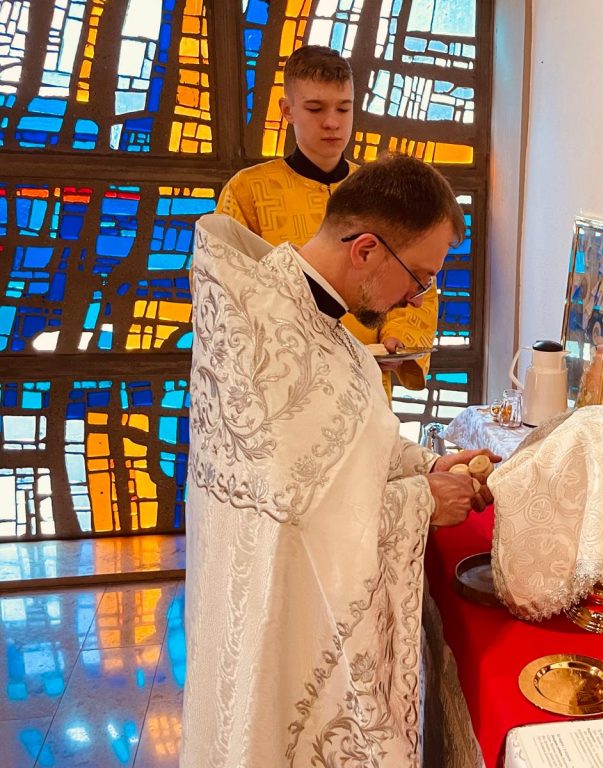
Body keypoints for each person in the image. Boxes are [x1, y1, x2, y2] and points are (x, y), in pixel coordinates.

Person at [182, 154, 498, 767]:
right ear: (367, 250)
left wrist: (425, 467)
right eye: (419, 277)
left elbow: (341, 447)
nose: (416, 297)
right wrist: (422, 502)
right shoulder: (264, 328)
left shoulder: (321, 321)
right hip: (284, 633)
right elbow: (289, 517)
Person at [216, 44, 440, 398]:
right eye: (315, 108)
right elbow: (226, 289)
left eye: (343, 108)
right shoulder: (248, 191)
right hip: (284, 384)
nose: (332, 122)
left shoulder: (382, 192)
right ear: (287, 110)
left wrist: (398, 337)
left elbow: (417, 278)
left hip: (366, 380)